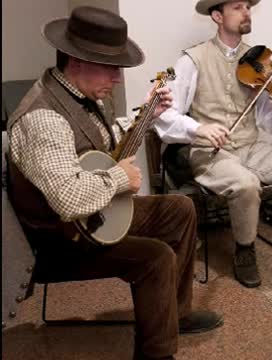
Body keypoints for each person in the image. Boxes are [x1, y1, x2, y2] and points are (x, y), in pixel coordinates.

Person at [7, 7, 221, 360]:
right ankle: (158, 353)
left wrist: (147, 117)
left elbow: (101, 147)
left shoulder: (81, 94)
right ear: (77, 61)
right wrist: (121, 177)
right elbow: (68, 200)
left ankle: (176, 313)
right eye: (111, 67)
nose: (118, 78)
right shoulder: (43, 118)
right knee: (155, 257)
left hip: (90, 219)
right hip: (57, 239)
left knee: (179, 209)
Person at [153, 0, 272, 292]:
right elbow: (165, 113)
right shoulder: (192, 60)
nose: (246, 12)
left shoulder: (257, 60)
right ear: (218, 16)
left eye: (248, 6)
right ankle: (245, 250)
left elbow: (268, 117)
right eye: (237, 7)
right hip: (212, 152)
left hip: (251, 146)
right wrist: (199, 128)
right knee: (246, 185)